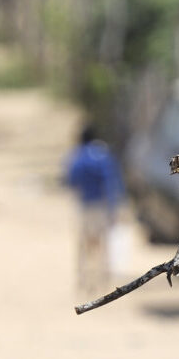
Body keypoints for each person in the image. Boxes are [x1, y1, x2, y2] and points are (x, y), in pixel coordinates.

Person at [64, 125, 124, 296]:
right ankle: (103, 278)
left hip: (84, 205)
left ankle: (84, 278)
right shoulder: (102, 154)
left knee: (84, 244)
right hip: (101, 205)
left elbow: (71, 181)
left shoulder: (77, 155)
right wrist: (114, 207)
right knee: (103, 243)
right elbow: (111, 182)